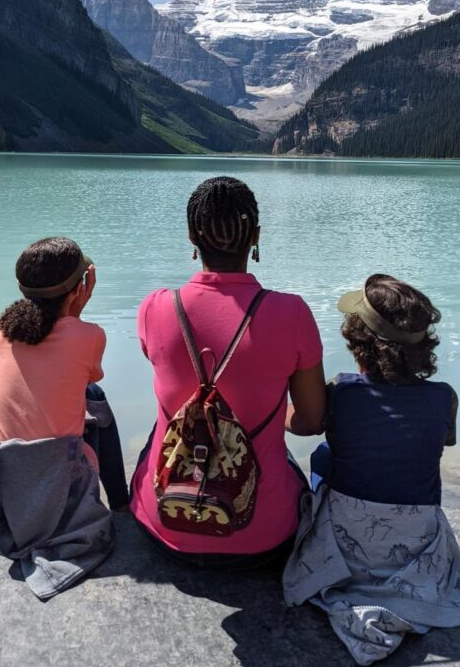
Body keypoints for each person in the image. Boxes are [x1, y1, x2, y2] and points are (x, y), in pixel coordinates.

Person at [129, 175, 326, 568]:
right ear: (255, 236)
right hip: (265, 537)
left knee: (164, 422)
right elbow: (311, 422)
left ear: (191, 237)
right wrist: (270, 413)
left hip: (164, 527)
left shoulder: (155, 307)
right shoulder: (293, 314)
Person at [283, 274, 460, 665]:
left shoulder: (342, 392)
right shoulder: (444, 398)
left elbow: (295, 422)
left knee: (322, 457)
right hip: (417, 534)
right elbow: (435, 444)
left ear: (358, 344)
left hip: (347, 537)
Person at [0, 236, 127, 599]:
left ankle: (120, 503)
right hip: (51, 487)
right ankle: (123, 505)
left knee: (85, 395)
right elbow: (84, 373)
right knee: (95, 397)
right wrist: (76, 317)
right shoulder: (89, 336)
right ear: (80, 287)